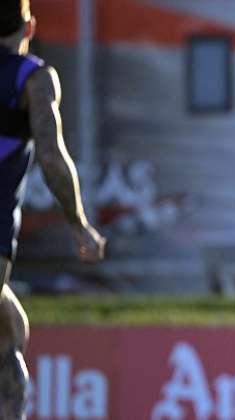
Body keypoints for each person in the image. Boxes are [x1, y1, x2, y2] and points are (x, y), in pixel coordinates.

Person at [0, 1, 106, 417]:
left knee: (11, 329)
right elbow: (52, 156)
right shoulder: (33, 78)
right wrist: (79, 225)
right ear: (29, 26)